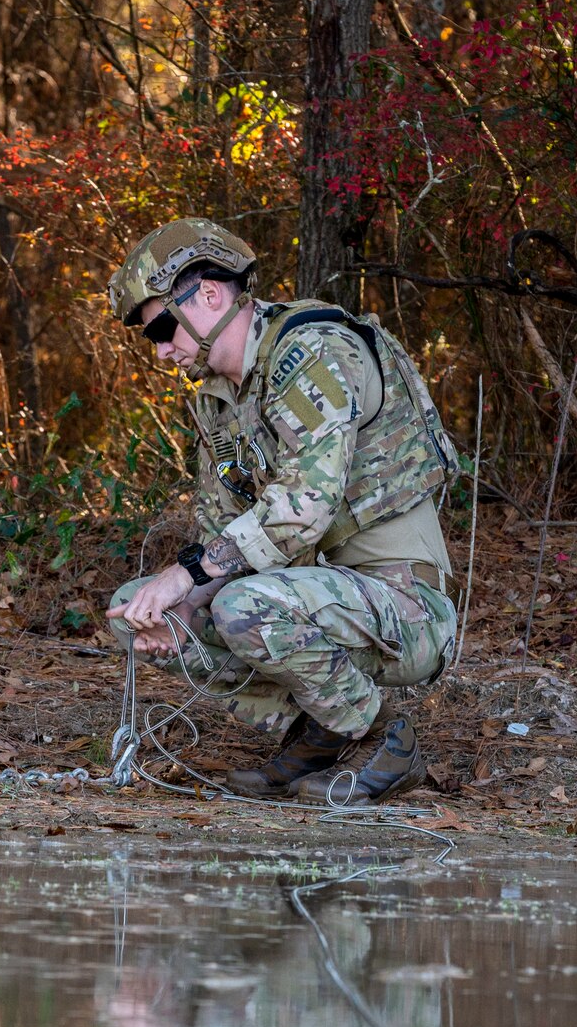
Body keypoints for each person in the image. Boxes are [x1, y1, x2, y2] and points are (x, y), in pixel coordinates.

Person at [101, 218, 460, 803]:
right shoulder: (221, 403)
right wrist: (183, 607)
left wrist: (186, 577)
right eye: (151, 338)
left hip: (405, 607)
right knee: (134, 609)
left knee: (241, 603)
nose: (162, 349)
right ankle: (316, 732)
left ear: (210, 294)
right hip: (312, 595)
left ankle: (383, 739)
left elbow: (304, 507)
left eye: (164, 327)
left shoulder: (313, 351)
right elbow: (223, 532)